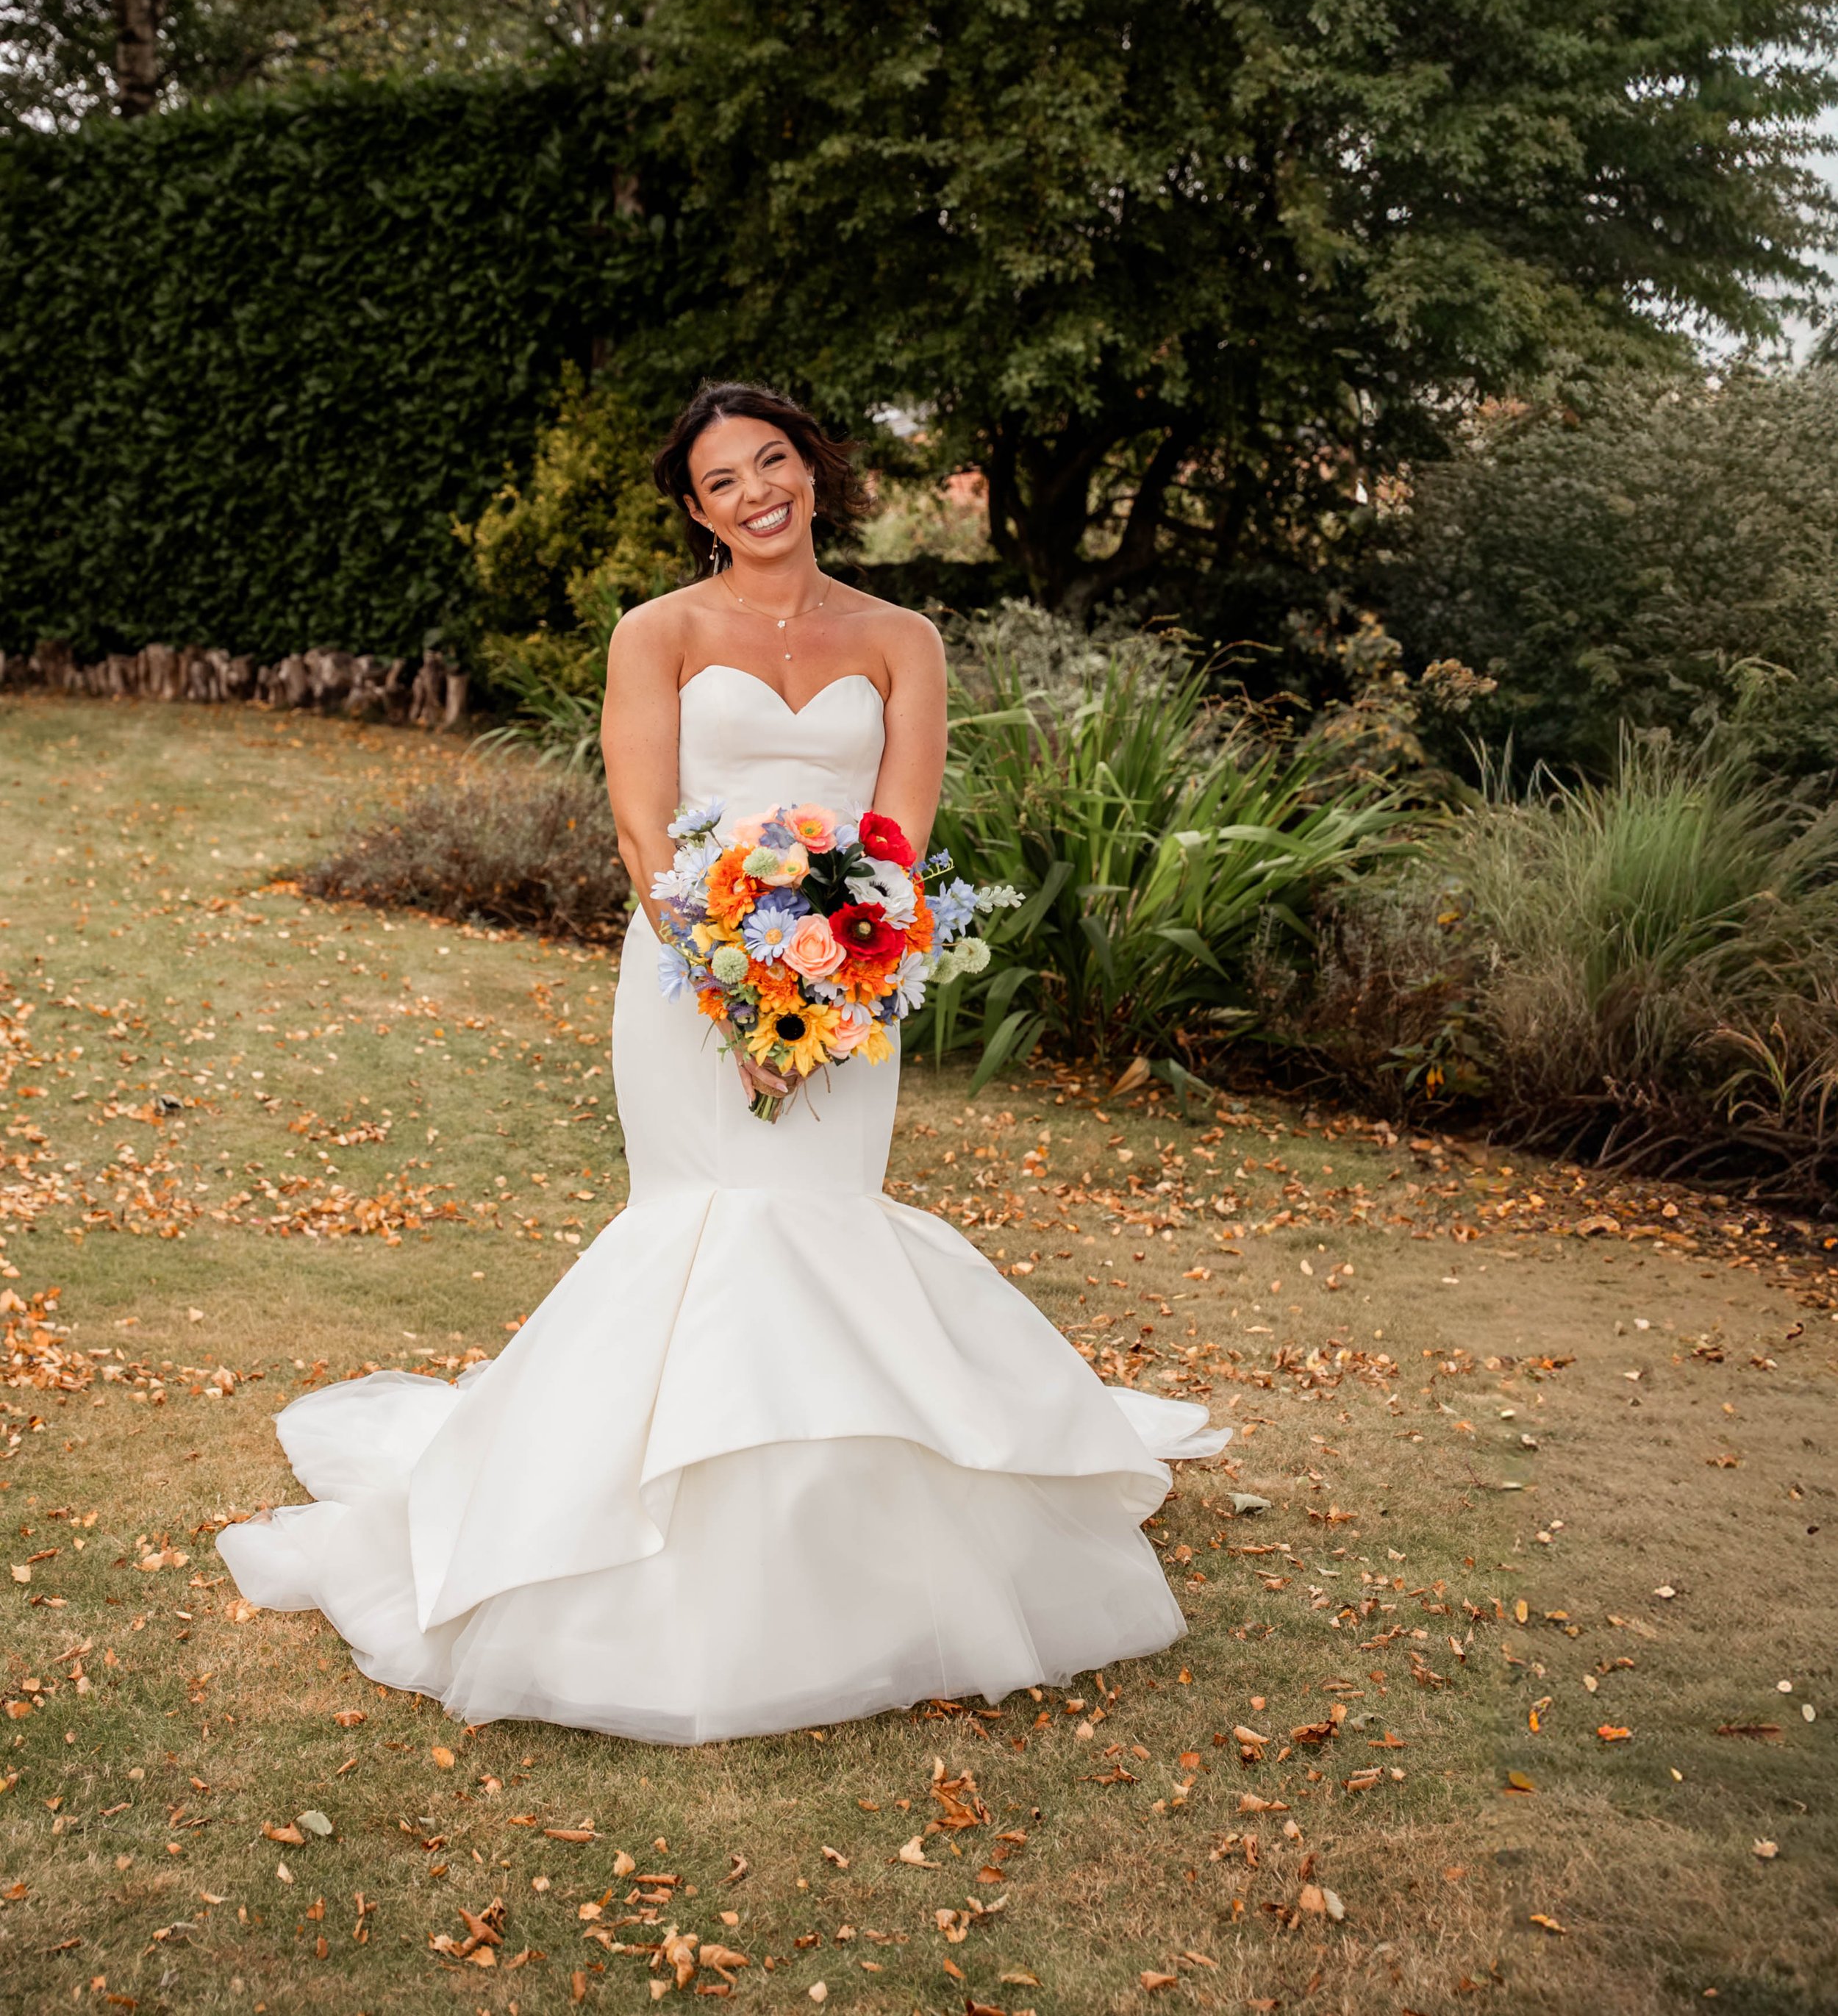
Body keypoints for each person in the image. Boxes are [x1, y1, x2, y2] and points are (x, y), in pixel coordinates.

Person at [217, 381, 1227, 1743]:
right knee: (702, 1235)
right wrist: (739, 999)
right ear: (696, 510)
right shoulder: (661, 633)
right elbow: (644, 833)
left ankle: (850, 1576)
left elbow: (899, 838)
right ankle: (640, 1565)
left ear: (815, 469)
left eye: (776, 462)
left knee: (822, 1232)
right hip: (688, 969)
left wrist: (837, 987)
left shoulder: (902, 637)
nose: (759, 493)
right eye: (725, 480)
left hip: (857, 978)